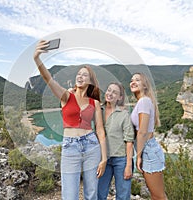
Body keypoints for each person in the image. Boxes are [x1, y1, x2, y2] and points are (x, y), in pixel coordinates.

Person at [33, 40, 107, 200]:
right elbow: (48, 79)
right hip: (70, 146)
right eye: (78, 74)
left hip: (91, 145)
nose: (80, 76)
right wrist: (37, 59)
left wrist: (104, 158)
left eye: (84, 74)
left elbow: (100, 130)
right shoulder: (66, 96)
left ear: (90, 81)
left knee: (91, 193)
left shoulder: (94, 102)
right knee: (69, 195)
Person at [129, 72, 167, 200]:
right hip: (147, 150)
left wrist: (138, 156)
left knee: (158, 196)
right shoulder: (142, 101)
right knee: (155, 195)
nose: (133, 82)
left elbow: (142, 132)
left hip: (148, 151)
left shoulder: (144, 101)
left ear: (145, 86)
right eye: (132, 80)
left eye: (137, 80)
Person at [98, 82, 134, 200]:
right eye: (109, 90)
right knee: (99, 193)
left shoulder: (124, 114)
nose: (110, 94)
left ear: (120, 97)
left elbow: (129, 141)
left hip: (121, 160)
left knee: (123, 196)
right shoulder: (98, 110)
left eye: (115, 92)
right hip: (102, 159)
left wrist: (128, 165)